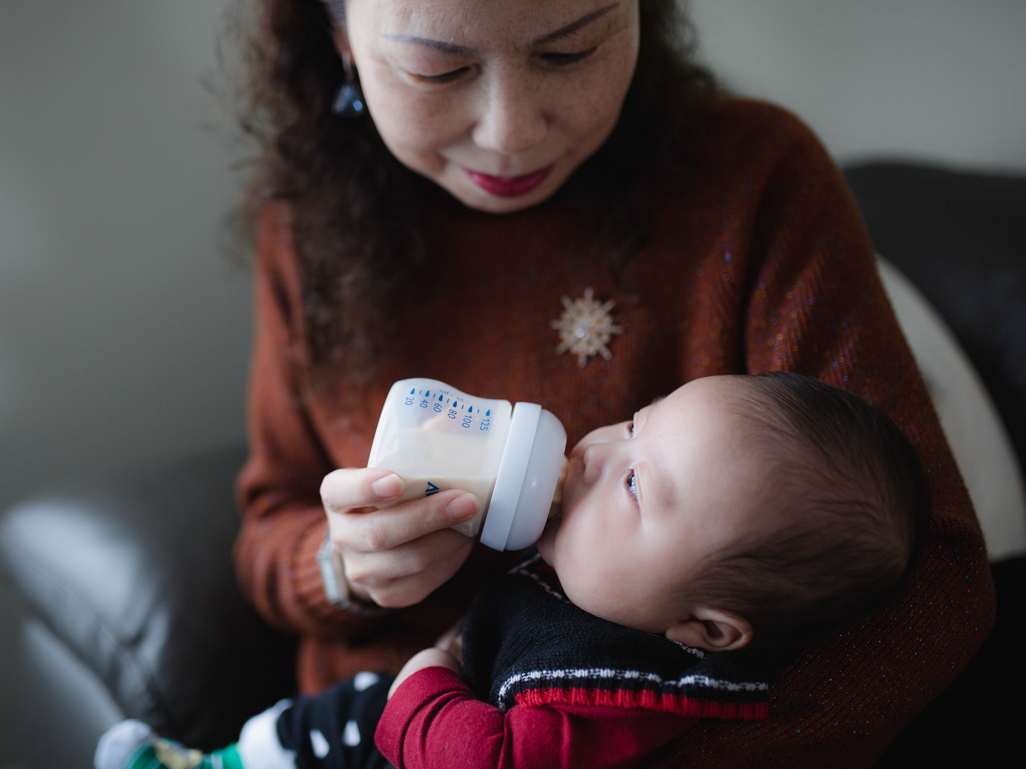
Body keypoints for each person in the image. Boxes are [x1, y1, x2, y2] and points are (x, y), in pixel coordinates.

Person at [224, 0, 993, 765]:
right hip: (352, 726)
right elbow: (266, 530)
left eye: (570, 53)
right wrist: (342, 565)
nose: (511, 130)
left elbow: (932, 590)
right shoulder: (306, 231)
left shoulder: (752, 177)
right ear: (341, 39)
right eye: (441, 68)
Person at [95, 372, 930, 769]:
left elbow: (486, 762)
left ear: (705, 630)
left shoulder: (620, 693)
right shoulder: (611, 582)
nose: (599, 447)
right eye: (637, 420)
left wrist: (430, 673)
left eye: (636, 481)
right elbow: (267, 524)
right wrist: (347, 557)